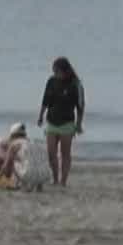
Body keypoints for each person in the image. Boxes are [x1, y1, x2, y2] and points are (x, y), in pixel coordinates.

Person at [38, 56, 85, 186]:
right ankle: (55, 179)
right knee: (51, 153)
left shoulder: (75, 84)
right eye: (54, 71)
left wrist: (79, 124)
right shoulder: (51, 81)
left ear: (65, 71)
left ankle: (63, 181)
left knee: (65, 154)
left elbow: (80, 106)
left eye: (57, 71)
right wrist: (41, 116)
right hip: (52, 122)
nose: (55, 74)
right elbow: (45, 100)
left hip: (67, 123)